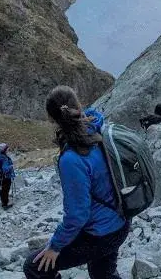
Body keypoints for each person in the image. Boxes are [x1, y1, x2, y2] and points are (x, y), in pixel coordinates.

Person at [25, 87, 128, 279]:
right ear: (78, 105)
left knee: (34, 267)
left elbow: (77, 215)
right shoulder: (98, 127)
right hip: (121, 220)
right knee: (102, 274)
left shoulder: (71, 159)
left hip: (102, 234)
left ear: (52, 119)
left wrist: (55, 247)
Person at [0, 143, 16, 209]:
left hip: (1, 177)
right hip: (6, 177)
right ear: (4, 150)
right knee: (6, 190)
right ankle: (5, 204)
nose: (8, 150)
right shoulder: (4, 158)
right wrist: (11, 166)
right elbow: (5, 169)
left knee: (2, 189)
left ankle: (3, 202)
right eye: (7, 149)